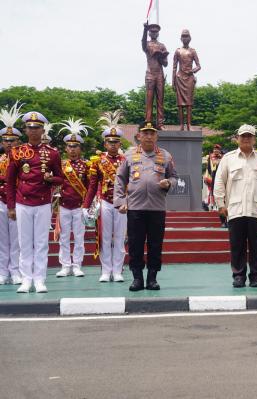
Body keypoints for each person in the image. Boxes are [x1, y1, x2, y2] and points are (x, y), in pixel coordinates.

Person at [114, 121, 178, 291]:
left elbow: (174, 177)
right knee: (135, 244)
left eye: (152, 133)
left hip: (157, 208)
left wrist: (168, 183)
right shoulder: (129, 155)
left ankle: (152, 278)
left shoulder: (165, 156)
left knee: (155, 244)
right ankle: (137, 278)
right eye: (145, 133)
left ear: (156, 136)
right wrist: (120, 201)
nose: (149, 136)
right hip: (135, 208)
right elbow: (120, 179)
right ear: (139, 136)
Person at [6, 111, 64, 293]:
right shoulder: (17, 152)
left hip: (43, 202)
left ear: (42, 129)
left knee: (41, 243)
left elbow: (61, 178)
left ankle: (39, 279)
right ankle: (26, 280)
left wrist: (50, 179)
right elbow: (10, 181)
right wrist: (10, 206)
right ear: (25, 130)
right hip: (22, 201)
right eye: (30, 128)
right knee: (24, 243)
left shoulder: (52, 153)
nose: (33, 131)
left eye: (37, 128)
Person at [213, 124, 257, 288]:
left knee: (256, 245)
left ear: (254, 139)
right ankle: (238, 275)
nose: (246, 139)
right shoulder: (228, 158)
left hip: (256, 209)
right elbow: (219, 182)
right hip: (235, 209)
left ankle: (256, 276)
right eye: (243, 136)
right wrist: (220, 203)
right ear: (237, 139)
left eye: (249, 136)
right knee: (237, 245)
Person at [83, 111, 126, 283]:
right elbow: (93, 185)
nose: (113, 145)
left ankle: (118, 270)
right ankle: (106, 270)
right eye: (110, 142)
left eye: (116, 142)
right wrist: (86, 206)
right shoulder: (97, 161)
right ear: (105, 143)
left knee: (120, 238)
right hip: (105, 202)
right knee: (105, 237)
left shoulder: (126, 160)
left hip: (122, 204)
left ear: (119, 143)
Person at [55, 119, 90, 278]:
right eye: (70, 146)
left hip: (79, 206)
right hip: (63, 205)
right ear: (65, 148)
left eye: (75, 146)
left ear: (80, 148)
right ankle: (65, 265)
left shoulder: (86, 166)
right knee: (64, 237)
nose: (73, 149)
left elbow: (90, 186)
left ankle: (77, 265)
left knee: (79, 237)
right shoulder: (60, 165)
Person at [0, 101, 23, 285]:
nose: (9, 143)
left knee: (16, 240)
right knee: (2, 240)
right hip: (0, 201)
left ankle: (15, 271)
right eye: (6, 140)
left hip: (17, 202)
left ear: (18, 142)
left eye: (12, 140)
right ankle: (3, 272)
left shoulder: (24, 159)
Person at [172, 29, 201, 131]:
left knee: (189, 103)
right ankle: (181, 125)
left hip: (189, 79)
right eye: (183, 36)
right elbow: (174, 67)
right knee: (180, 104)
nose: (185, 38)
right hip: (179, 78)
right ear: (181, 38)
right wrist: (173, 82)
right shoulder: (177, 51)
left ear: (190, 38)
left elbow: (198, 66)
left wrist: (192, 71)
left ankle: (189, 124)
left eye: (187, 36)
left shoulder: (193, 51)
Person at [142, 22, 169, 130]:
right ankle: (148, 122)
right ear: (149, 33)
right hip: (150, 74)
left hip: (159, 74)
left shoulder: (162, 46)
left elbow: (166, 64)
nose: (154, 33)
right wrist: (144, 29)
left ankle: (160, 124)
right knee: (149, 99)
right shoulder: (147, 44)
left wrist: (161, 57)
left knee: (160, 100)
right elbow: (143, 43)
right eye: (152, 31)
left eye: (156, 32)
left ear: (158, 33)